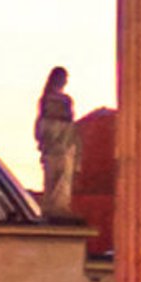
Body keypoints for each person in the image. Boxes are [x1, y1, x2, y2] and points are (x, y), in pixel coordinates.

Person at [35, 66, 80, 218]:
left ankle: (59, 207)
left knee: (62, 176)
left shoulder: (65, 100)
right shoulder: (49, 99)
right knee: (54, 176)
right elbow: (43, 122)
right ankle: (54, 208)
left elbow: (70, 121)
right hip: (54, 141)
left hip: (64, 141)